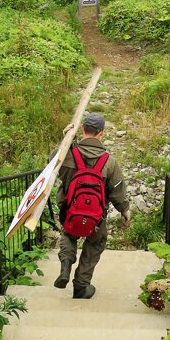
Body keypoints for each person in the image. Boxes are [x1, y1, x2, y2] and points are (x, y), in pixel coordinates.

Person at [54, 112, 130, 299]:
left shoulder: (68, 154)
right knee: (96, 242)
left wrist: (64, 141)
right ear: (101, 133)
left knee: (69, 234)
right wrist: (124, 210)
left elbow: (51, 165)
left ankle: (65, 265)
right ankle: (81, 285)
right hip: (96, 216)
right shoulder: (109, 162)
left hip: (70, 210)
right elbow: (117, 191)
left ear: (82, 129)